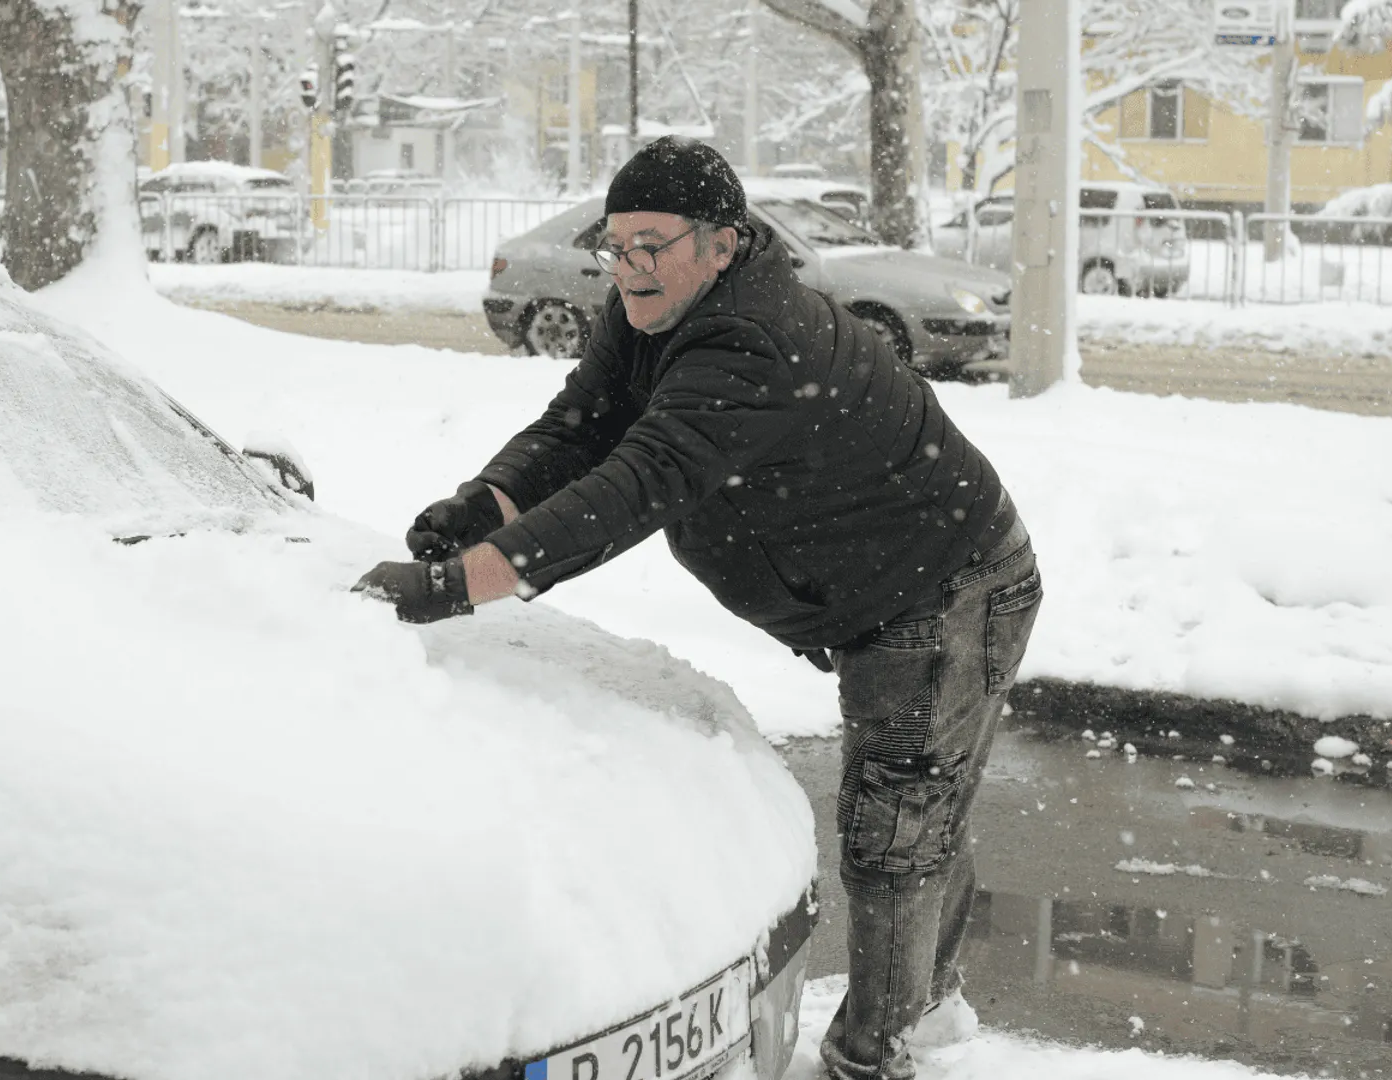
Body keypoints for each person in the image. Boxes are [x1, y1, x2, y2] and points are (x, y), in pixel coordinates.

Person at [353, 136, 1041, 1080]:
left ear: (722, 244)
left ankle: (875, 1057)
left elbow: (639, 482)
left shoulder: (753, 340)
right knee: (922, 809)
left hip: (947, 588)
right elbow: (581, 426)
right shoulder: (647, 311)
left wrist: (461, 584)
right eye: (616, 243)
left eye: (653, 244)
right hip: (888, 584)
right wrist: (488, 503)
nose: (628, 266)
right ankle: (928, 1010)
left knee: (895, 834)